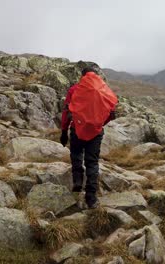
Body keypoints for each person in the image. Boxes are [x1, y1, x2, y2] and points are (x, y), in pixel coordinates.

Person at [60, 67, 118, 209]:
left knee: (76, 155)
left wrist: (63, 131)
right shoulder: (104, 91)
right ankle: (91, 197)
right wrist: (99, 124)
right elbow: (111, 113)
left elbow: (67, 110)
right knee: (92, 163)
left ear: (82, 76)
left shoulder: (74, 90)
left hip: (77, 129)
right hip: (96, 132)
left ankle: (78, 181)